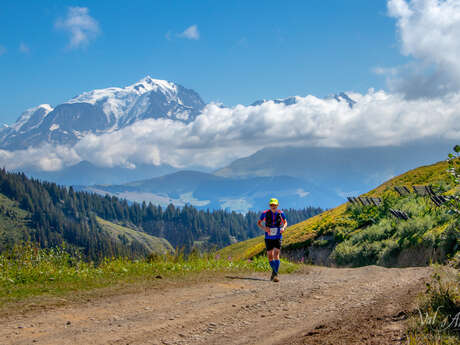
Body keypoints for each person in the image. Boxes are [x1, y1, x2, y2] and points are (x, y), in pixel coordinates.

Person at [257, 198, 287, 282]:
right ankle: (274, 273)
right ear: (269, 205)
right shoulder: (264, 213)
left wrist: (283, 228)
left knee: (276, 254)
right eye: (271, 205)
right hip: (268, 237)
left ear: (277, 205)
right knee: (270, 256)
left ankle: (275, 274)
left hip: (278, 236)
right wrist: (264, 228)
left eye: (274, 205)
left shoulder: (281, 213)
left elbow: (285, 222)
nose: (273, 206)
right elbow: (258, 223)